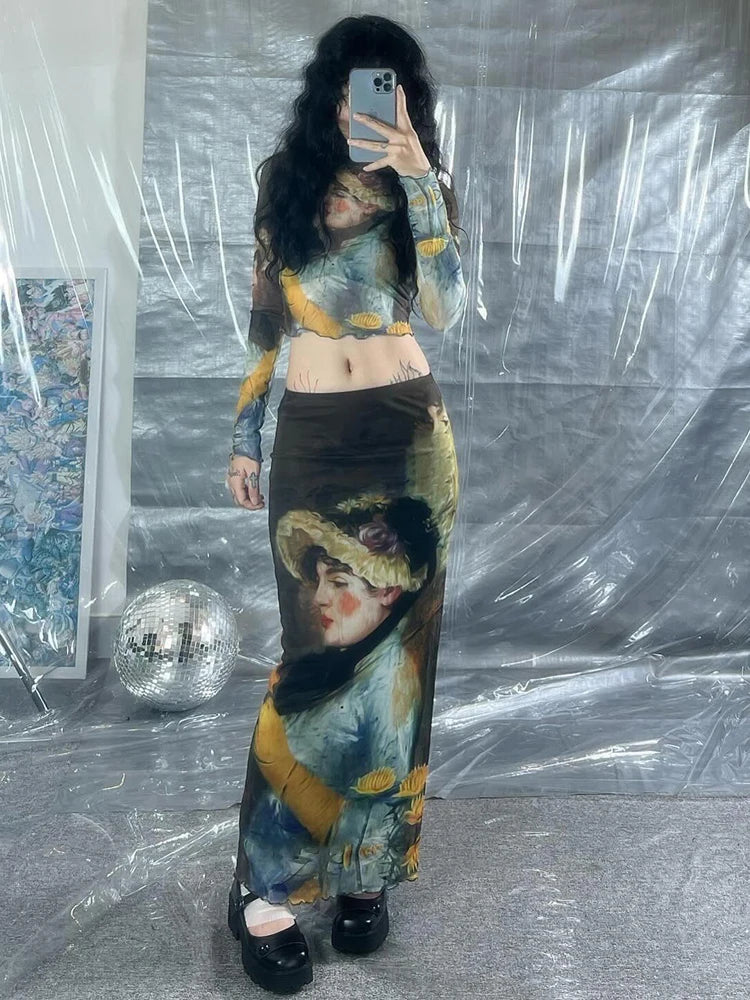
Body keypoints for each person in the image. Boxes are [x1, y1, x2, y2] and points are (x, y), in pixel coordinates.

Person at [225, 14, 466, 994]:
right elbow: (265, 323)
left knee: (400, 664)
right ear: (329, 92)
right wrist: (244, 435)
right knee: (313, 662)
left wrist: (418, 176)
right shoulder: (285, 182)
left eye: (389, 85)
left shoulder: (420, 186)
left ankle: (365, 872)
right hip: (316, 440)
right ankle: (265, 885)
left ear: (406, 98)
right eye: (357, 83)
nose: (368, 101)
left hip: (412, 438)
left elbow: (444, 307)